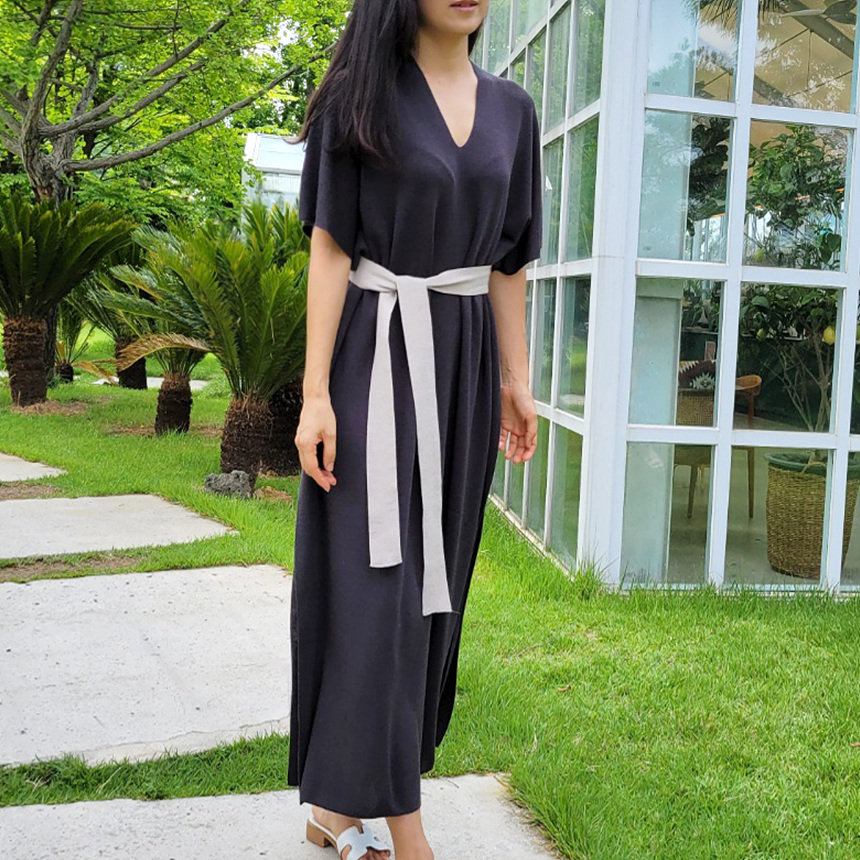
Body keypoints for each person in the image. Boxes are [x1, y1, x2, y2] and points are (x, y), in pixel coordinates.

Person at [288, 0, 542, 857]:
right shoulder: (357, 96)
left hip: (463, 367)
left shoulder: (514, 111)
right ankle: (405, 826)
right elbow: (331, 247)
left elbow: (509, 261)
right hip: (376, 359)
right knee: (378, 589)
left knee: (436, 594)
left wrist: (516, 382)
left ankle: (335, 807)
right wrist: (315, 394)